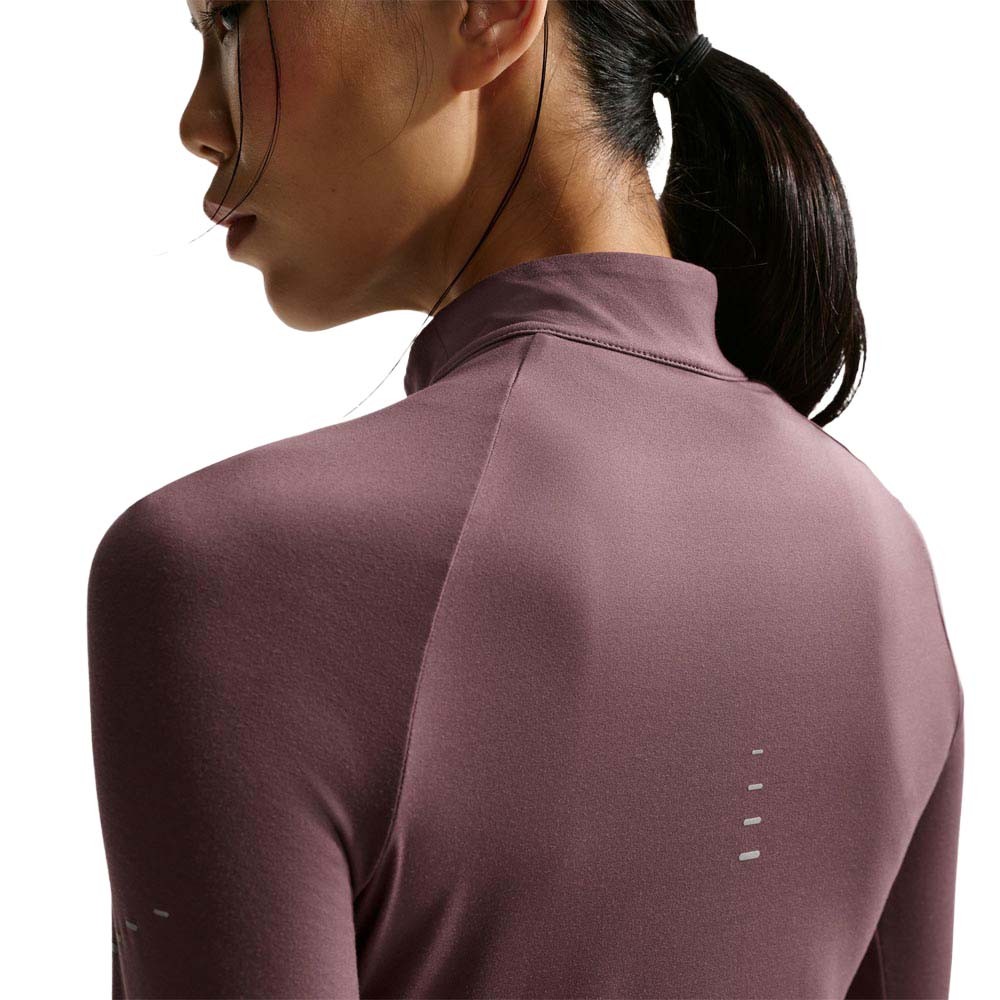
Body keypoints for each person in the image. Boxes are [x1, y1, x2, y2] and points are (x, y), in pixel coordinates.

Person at [87, 2, 964, 997]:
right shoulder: (882, 554)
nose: (199, 122)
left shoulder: (227, 572)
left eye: (233, 22)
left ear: (490, 14)